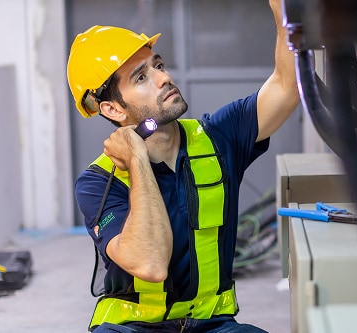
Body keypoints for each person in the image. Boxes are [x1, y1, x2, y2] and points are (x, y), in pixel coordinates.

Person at [66, 0, 300, 331]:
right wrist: (137, 160)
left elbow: (287, 87)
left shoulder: (219, 136)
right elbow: (149, 265)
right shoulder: (98, 182)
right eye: (142, 76)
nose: (164, 78)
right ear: (114, 110)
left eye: (158, 65)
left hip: (213, 325)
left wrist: (284, 12)